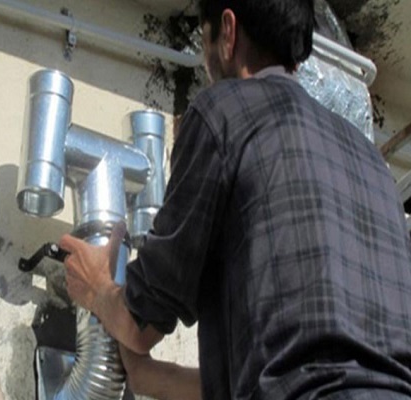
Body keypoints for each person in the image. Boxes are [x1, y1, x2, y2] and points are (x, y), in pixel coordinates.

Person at [59, 0, 411, 399]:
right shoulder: (372, 162)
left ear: (227, 31)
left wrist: (99, 290)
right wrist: (150, 377)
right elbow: (294, 372)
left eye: (203, 40)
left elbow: (139, 325)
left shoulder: (225, 111)